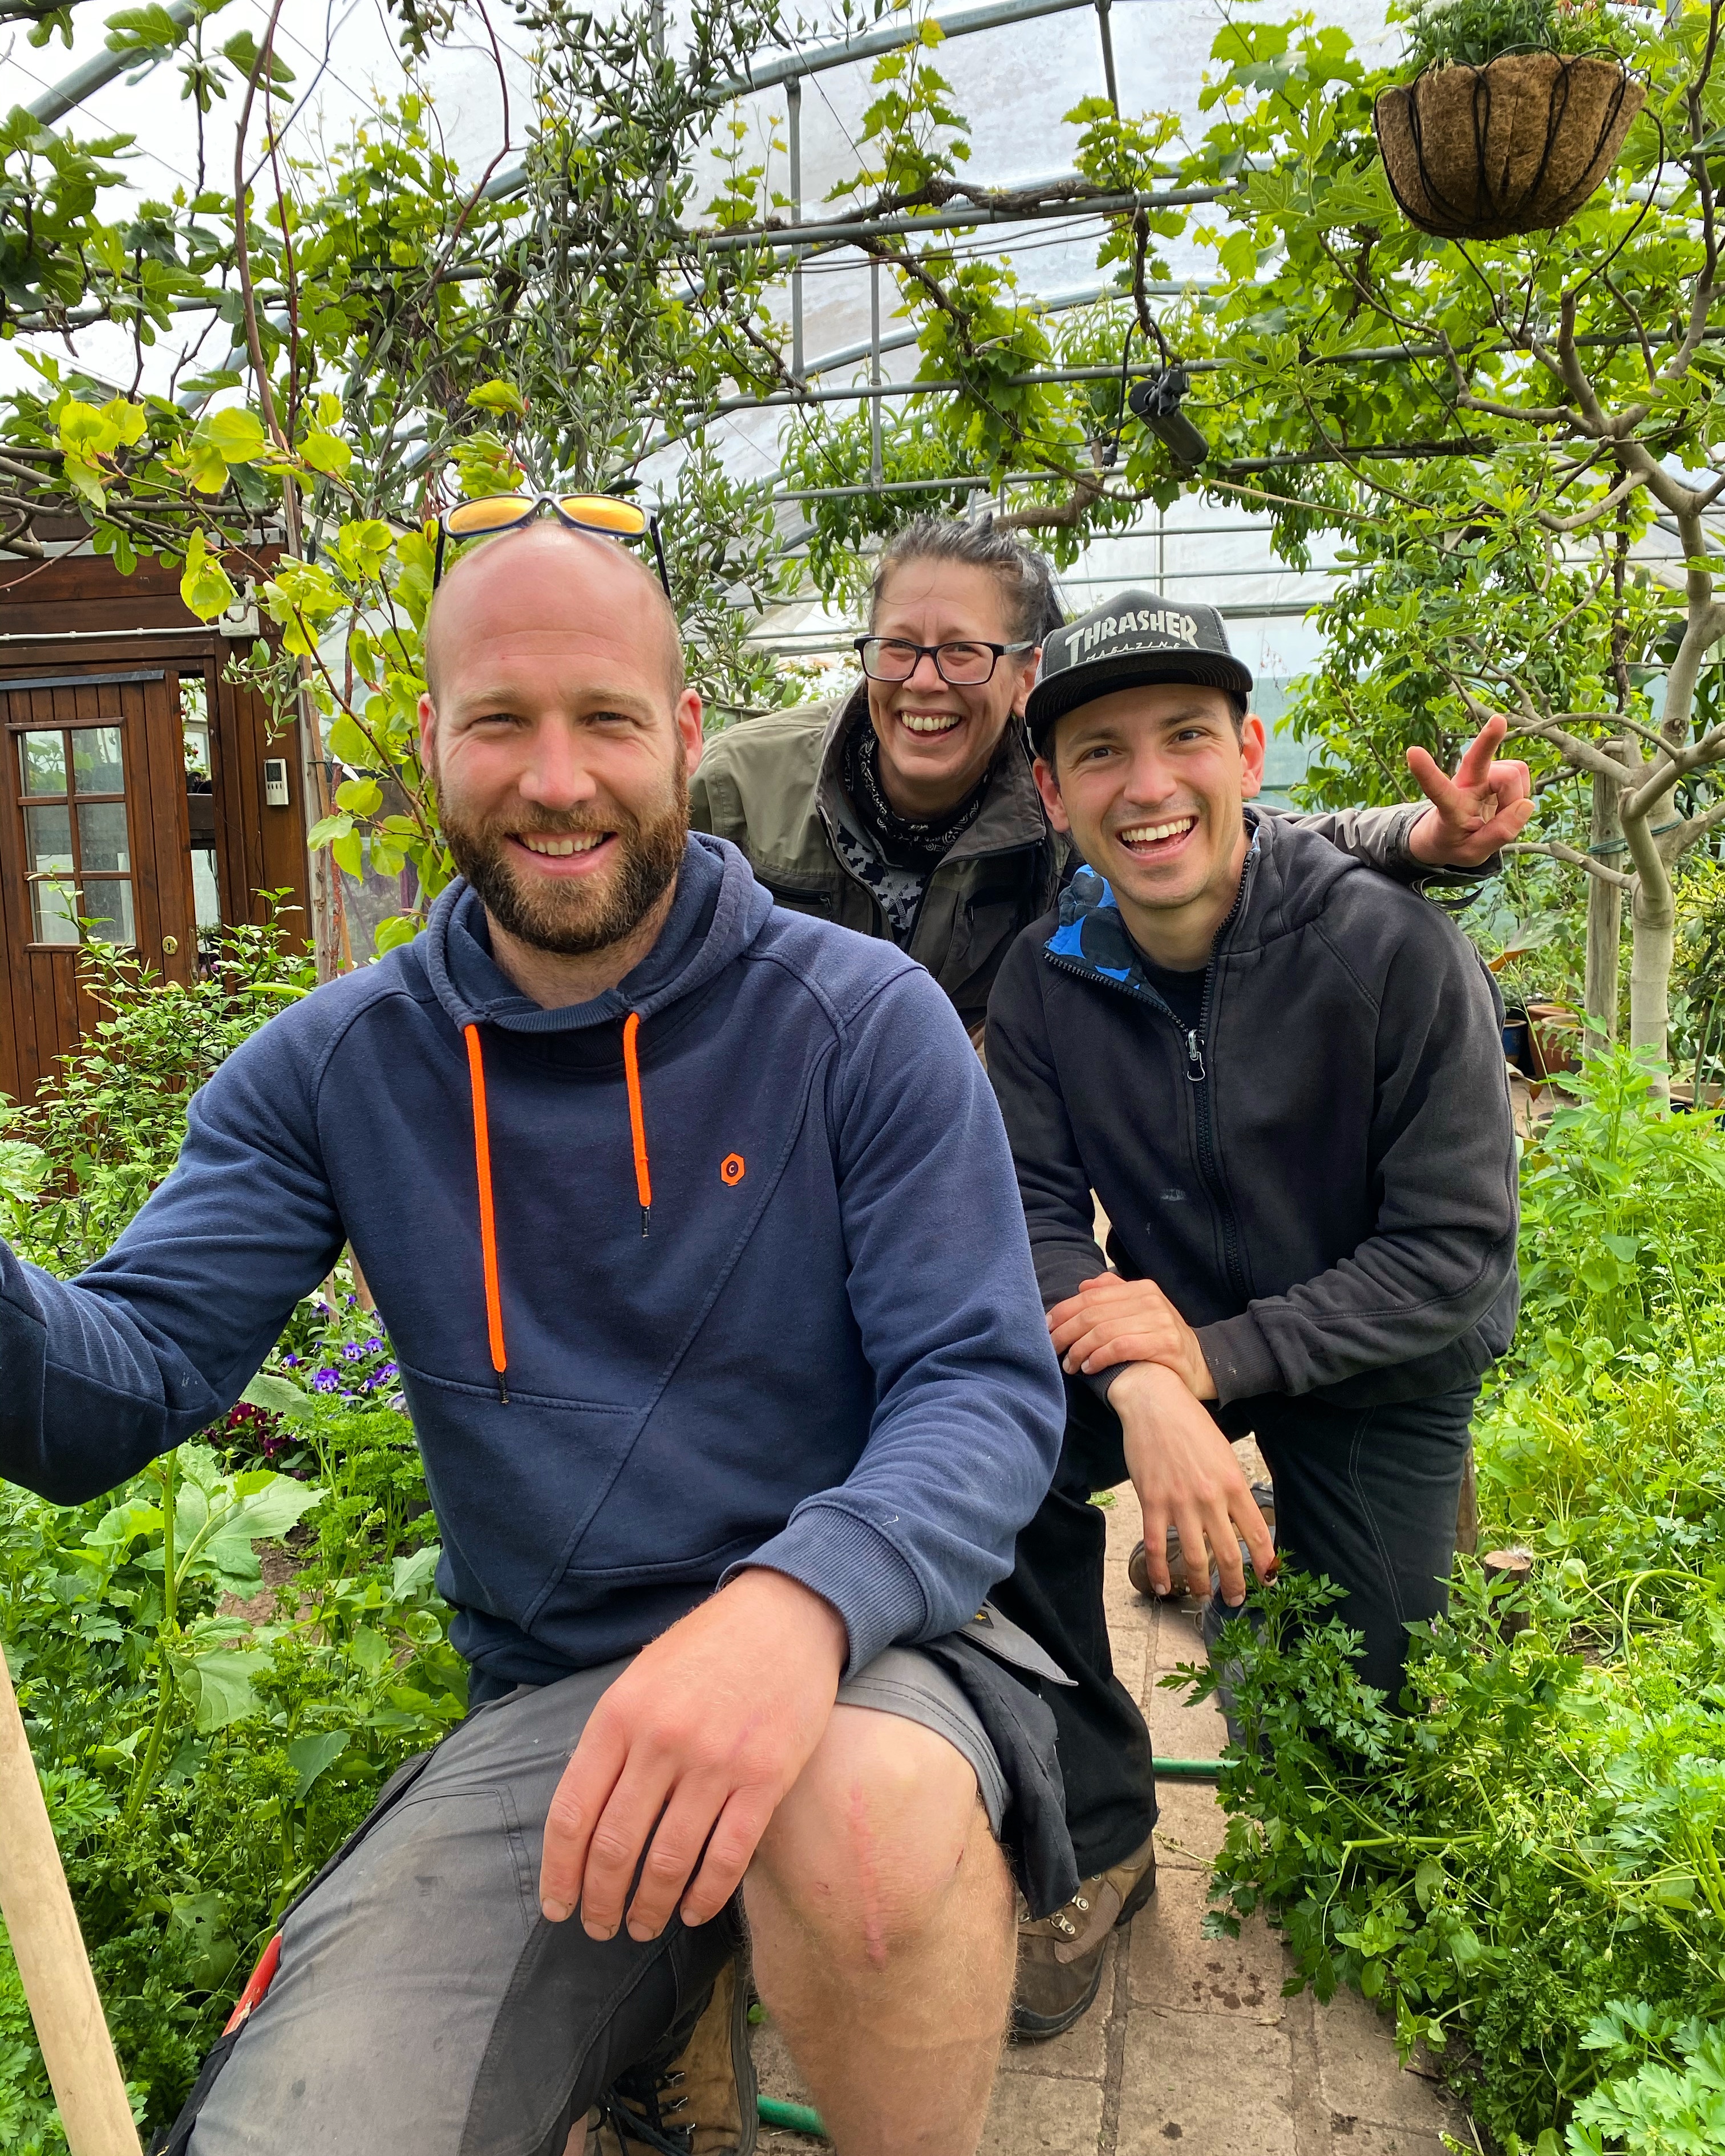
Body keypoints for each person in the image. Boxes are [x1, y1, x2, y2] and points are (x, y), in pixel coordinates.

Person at [0, 521, 1079, 2156]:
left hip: (870, 1647)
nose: (557, 780)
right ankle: (660, 2020)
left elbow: (980, 1388)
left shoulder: (861, 1022)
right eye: (500, 721)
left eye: (606, 720)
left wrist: (790, 1608)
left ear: (685, 733)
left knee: (869, 1841)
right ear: (433, 742)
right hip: (561, 1708)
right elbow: (120, 1381)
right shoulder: (338, 1068)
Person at [984, 593, 1521, 2036]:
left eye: (1185, 738)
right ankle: (1098, 1838)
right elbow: (1027, 1214)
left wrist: (1210, 1361)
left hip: (1379, 1357)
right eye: (1100, 753)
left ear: (1250, 754)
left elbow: (1452, 1253)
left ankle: (1290, 1540)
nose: (1147, 784)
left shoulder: (1390, 950)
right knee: (987, 1454)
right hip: (1184, 1339)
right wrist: (1152, 1393)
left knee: (1353, 1781)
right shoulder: (1048, 976)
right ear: (1053, 794)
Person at [690, 514, 1535, 1043]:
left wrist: (1423, 838)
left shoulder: (1058, 802)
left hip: (949, 1142)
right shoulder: (739, 788)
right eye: (899, 648)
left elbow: (1235, 836)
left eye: (963, 653)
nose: (923, 682)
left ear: (1026, 677)